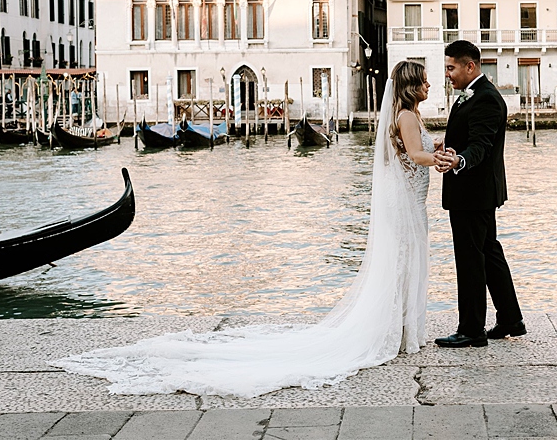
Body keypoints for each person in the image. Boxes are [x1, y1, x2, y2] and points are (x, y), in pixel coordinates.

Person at [53, 61, 439, 398]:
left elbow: (414, 151)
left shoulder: (411, 116)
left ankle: (403, 328)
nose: (428, 85)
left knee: (403, 262)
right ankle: (398, 331)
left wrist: (439, 150)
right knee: (402, 261)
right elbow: (417, 154)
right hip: (404, 203)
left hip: (407, 198)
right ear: (409, 85)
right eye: (423, 81)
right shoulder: (405, 116)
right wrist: (439, 158)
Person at [433, 40, 524, 348]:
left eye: (450, 67)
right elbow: (467, 137)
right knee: (489, 253)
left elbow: (481, 146)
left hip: (472, 193)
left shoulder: (485, 99)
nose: (447, 74)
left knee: (471, 260)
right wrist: (447, 150)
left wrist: (459, 160)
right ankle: (511, 319)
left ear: (469, 66)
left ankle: (472, 329)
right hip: (478, 192)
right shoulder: (472, 96)